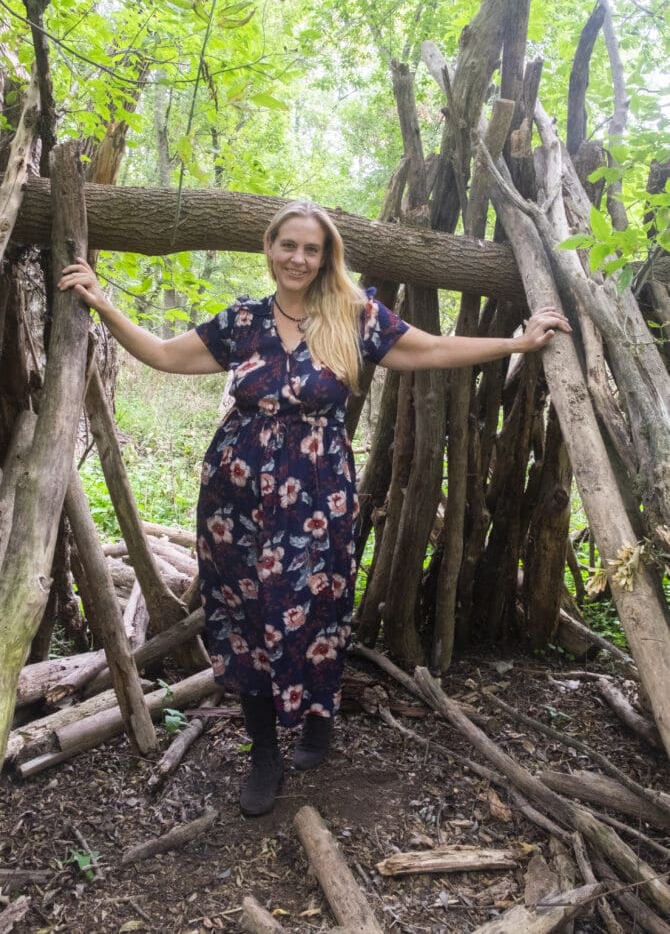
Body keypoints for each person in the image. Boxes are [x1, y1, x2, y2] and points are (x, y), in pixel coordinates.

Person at [59, 201, 570, 817]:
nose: (298, 258)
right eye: (288, 246)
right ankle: (265, 750)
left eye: (311, 249)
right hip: (234, 497)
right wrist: (102, 303)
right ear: (269, 249)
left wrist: (519, 341)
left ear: (326, 256)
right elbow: (165, 354)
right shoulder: (243, 322)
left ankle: (320, 714)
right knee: (244, 610)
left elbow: (432, 349)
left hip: (316, 494)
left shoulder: (353, 318)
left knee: (316, 606)